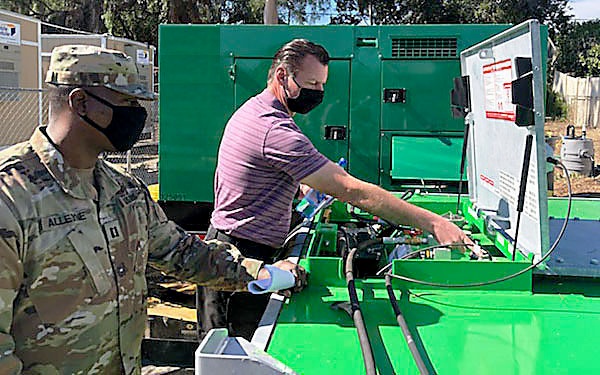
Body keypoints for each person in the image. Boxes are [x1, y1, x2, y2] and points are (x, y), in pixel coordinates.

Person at [0, 45, 304, 375]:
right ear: (80, 102)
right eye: (126, 101)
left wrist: (264, 273)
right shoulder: (12, 196)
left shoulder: (125, 191)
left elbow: (185, 254)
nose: (137, 114)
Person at [199, 38, 475, 338]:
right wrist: (432, 222)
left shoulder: (259, 110)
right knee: (234, 360)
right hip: (239, 261)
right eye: (312, 83)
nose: (318, 92)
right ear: (282, 76)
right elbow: (351, 189)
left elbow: (261, 175)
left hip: (238, 247)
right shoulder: (273, 128)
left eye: (322, 85)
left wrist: (299, 190)